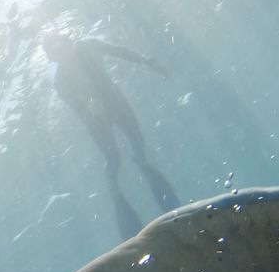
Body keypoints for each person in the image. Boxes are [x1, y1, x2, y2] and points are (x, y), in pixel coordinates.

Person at [43, 32, 181, 240]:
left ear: (67, 41)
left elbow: (120, 52)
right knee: (113, 159)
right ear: (52, 57)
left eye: (60, 45)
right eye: (54, 51)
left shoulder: (89, 45)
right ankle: (115, 190)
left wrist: (147, 61)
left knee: (138, 143)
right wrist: (88, 105)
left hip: (116, 104)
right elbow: (76, 106)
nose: (60, 52)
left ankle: (141, 164)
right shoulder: (60, 80)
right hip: (96, 120)